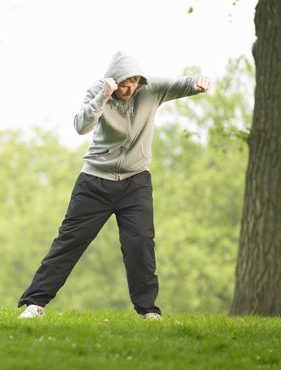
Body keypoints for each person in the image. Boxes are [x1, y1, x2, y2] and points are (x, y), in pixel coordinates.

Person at [17, 50, 211, 320]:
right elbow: (81, 126)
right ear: (113, 81)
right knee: (69, 242)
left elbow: (183, 83)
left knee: (140, 244)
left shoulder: (150, 89)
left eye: (133, 84)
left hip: (135, 183)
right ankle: (35, 304)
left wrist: (198, 82)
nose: (128, 89)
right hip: (95, 183)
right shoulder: (99, 92)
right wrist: (104, 95)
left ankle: (148, 311)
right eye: (123, 84)